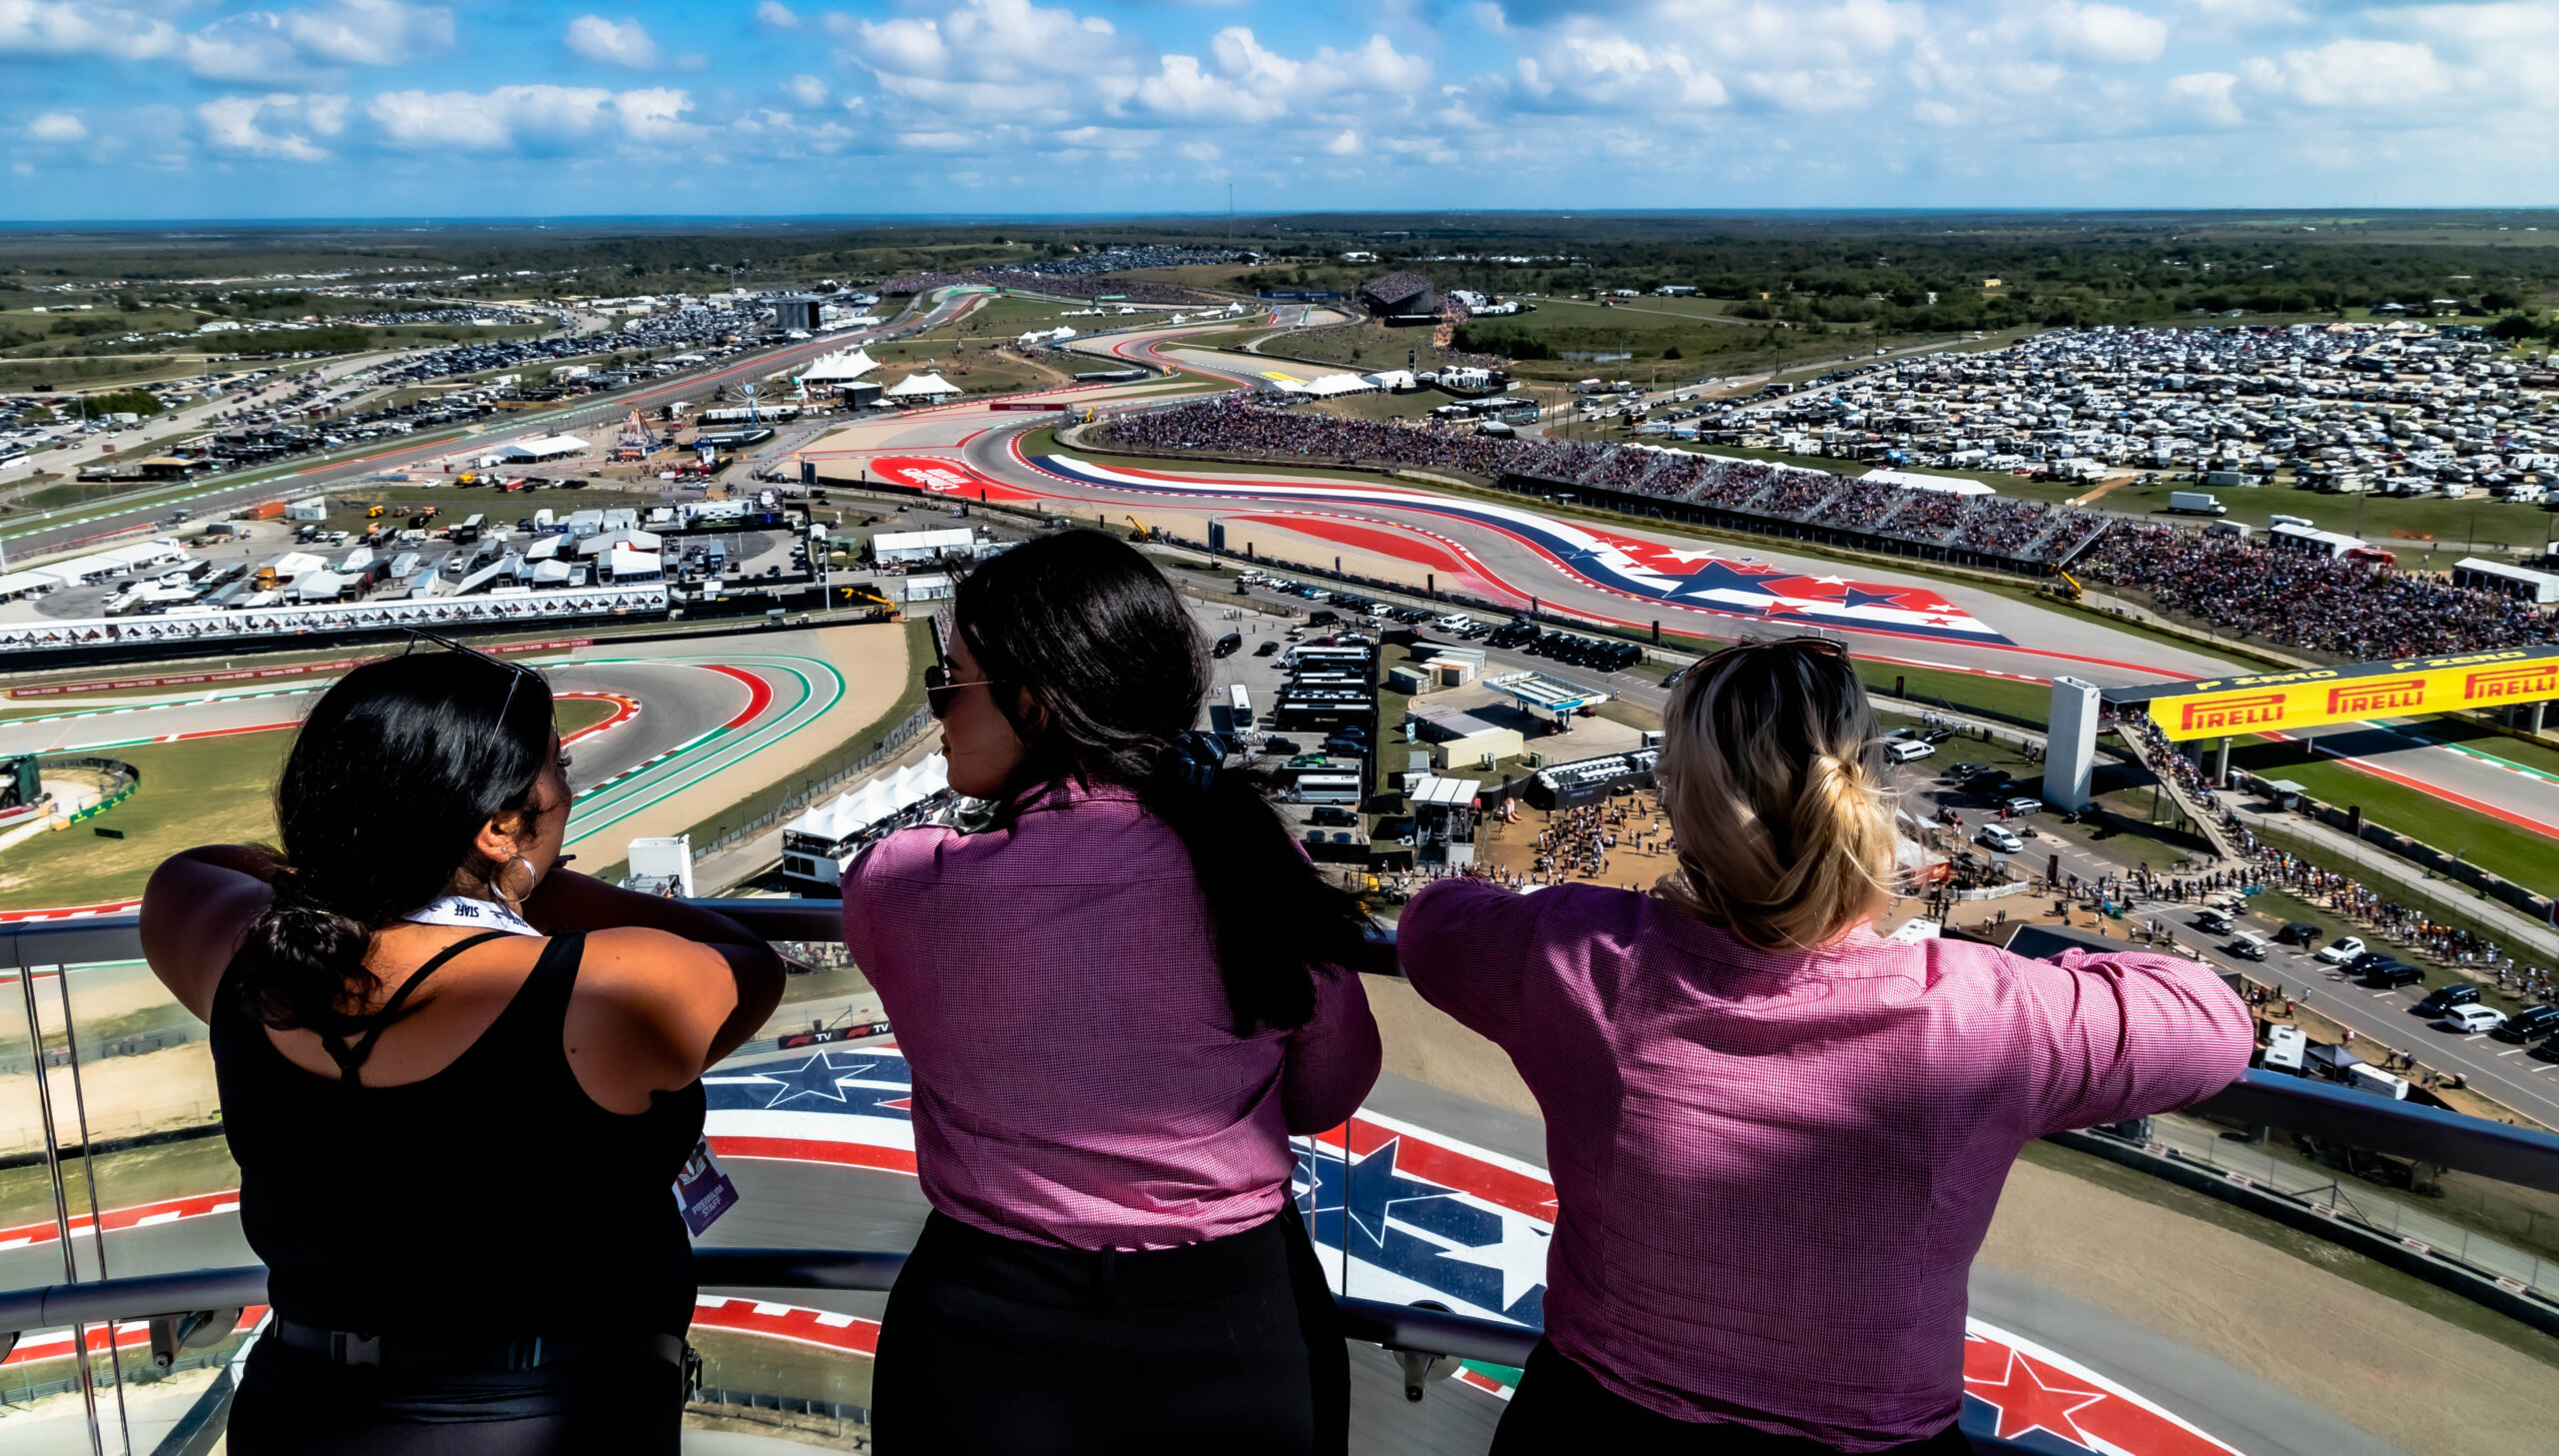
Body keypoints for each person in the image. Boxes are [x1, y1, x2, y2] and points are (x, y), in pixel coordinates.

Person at [1397, 637, 2253, 1455]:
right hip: (1865, 1445)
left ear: (1683, 808)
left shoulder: (1576, 948)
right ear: (1864, 794)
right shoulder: (1982, 1007)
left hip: (1592, 1423)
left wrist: (1582, 905)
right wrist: (2033, 973)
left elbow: (1432, 923)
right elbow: (2216, 1024)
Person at [142, 641, 785, 1456]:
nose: (569, 786)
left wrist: (369, 872)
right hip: (546, 1419)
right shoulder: (608, 985)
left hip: (299, 1407)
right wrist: (535, 888)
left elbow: (196, 868)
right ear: (495, 826)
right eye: (557, 767)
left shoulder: (242, 956)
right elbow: (748, 963)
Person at [845, 530, 1380, 1455]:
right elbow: (1327, 1090)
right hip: (1234, 1321)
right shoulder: (1250, 860)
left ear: (1036, 705)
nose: (938, 711)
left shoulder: (903, 885)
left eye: (950, 683)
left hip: (986, 1328)